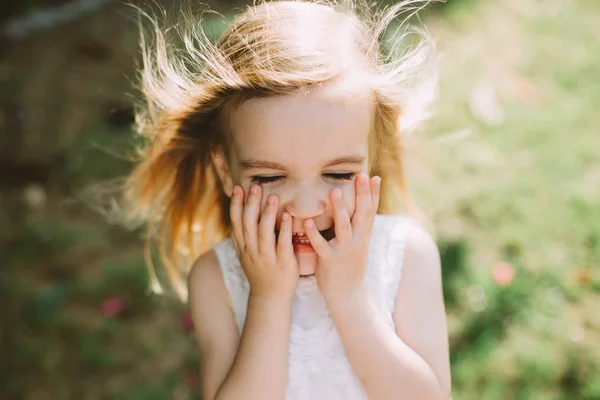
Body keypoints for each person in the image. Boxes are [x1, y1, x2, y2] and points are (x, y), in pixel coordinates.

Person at [124, 0, 451, 399]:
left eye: (339, 174)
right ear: (227, 172)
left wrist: (347, 297)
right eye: (271, 177)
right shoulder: (218, 278)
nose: (307, 207)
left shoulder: (405, 256)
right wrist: (268, 298)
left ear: (370, 161)